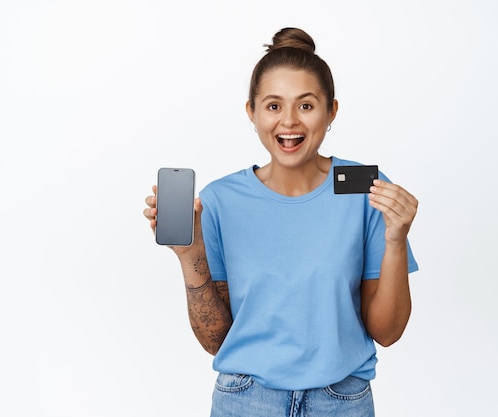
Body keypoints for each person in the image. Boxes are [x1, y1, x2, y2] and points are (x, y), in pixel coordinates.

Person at [143, 27, 418, 417]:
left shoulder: (366, 191)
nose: (289, 122)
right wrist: (190, 255)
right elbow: (216, 339)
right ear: (251, 112)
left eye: (306, 105)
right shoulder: (220, 200)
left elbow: (387, 333)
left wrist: (395, 239)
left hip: (341, 401)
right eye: (273, 106)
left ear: (331, 111)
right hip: (245, 399)